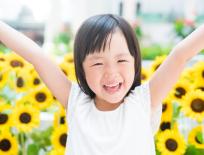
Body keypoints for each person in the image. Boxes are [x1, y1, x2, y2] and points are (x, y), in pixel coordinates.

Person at [0, 14, 204, 155]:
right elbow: (36, 56)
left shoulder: (144, 101)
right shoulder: (75, 102)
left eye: (121, 60)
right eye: (98, 63)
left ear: (135, 61)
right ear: (81, 68)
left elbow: (180, 54)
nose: (111, 73)